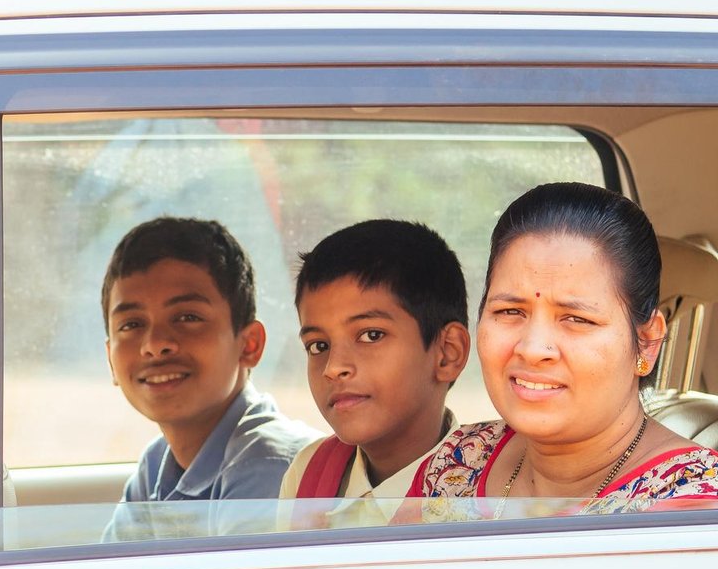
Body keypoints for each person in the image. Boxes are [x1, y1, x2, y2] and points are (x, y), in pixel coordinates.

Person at [415, 181, 718, 514]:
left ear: (645, 343)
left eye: (576, 319)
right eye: (510, 311)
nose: (532, 349)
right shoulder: (458, 462)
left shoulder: (693, 510)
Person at [100, 217, 318, 540]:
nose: (156, 344)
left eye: (188, 317)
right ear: (110, 359)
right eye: (131, 325)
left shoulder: (268, 464)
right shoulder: (157, 464)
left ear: (249, 345)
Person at [279, 220, 470, 527]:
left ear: (447, 352)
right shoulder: (310, 477)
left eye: (370, 335)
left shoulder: (488, 489)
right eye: (318, 346)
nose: (333, 368)